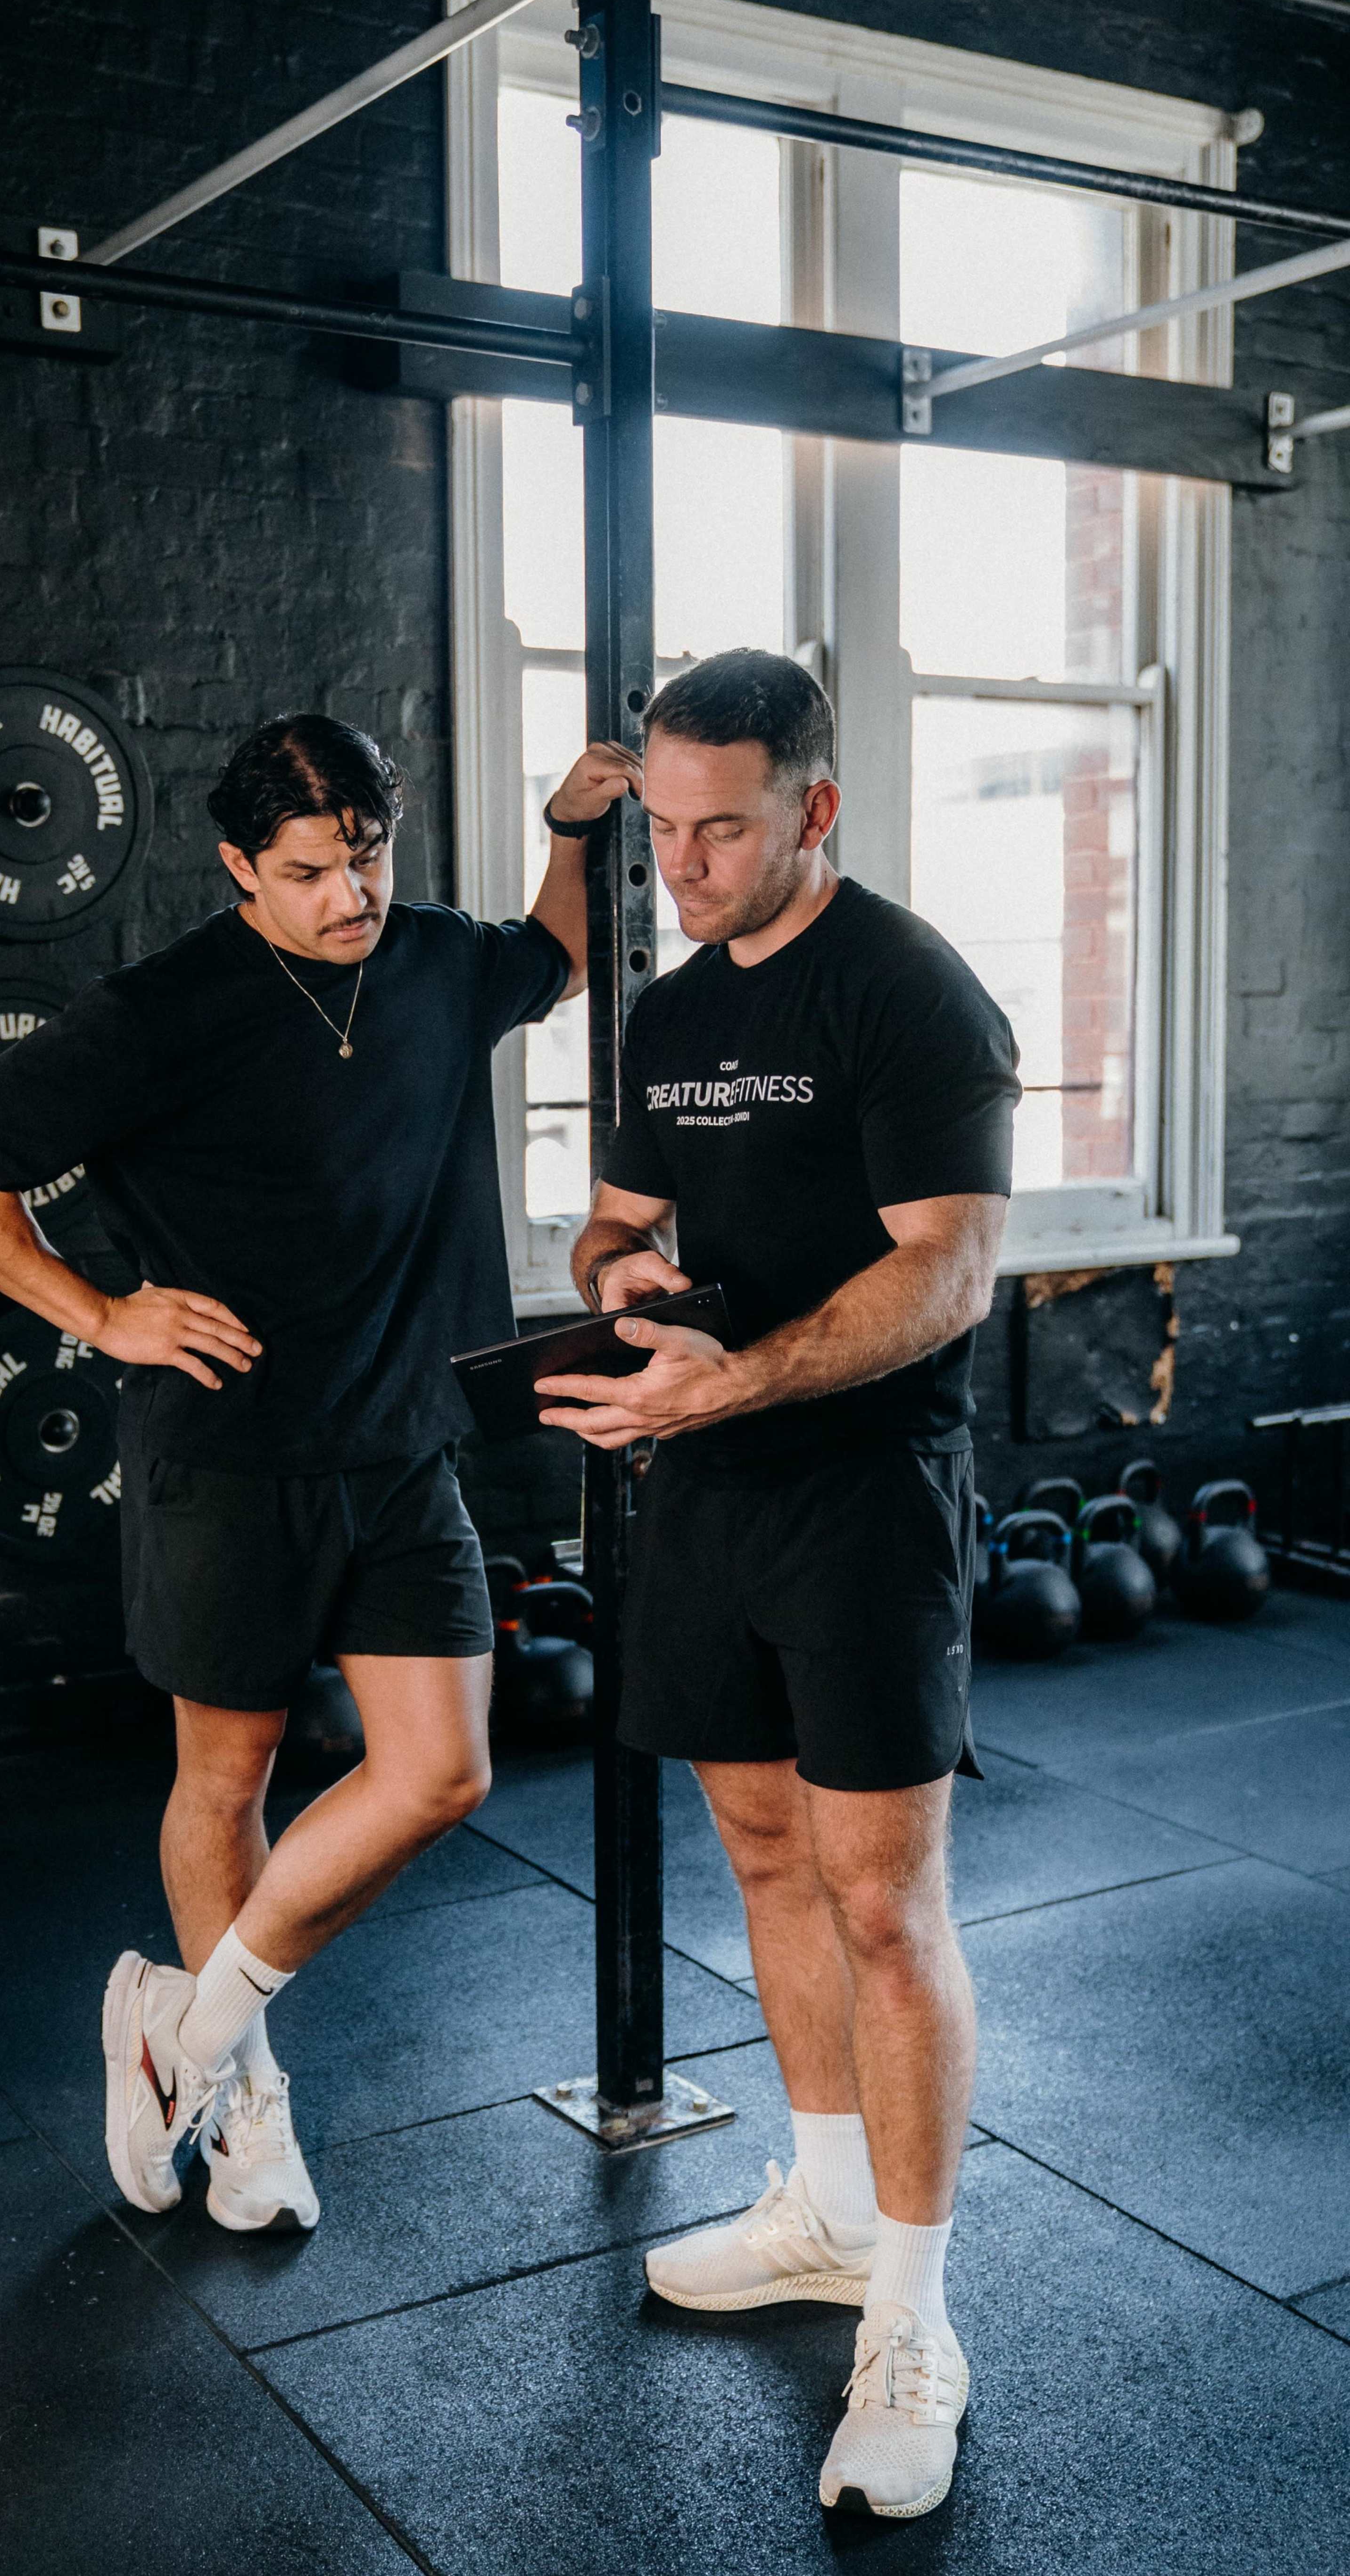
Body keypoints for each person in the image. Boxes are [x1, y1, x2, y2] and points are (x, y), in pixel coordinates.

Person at [0, 711, 634, 2236]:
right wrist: (100, 1312)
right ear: (241, 866)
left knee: (442, 1772)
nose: (348, 896)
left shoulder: (431, 957)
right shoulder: (160, 1010)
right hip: (225, 1456)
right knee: (224, 1781)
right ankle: (247, 2106)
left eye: (367, 856)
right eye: (308, 873)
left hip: (403, 1445)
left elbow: (556, 960)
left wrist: (567, 831)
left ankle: (184, 2028)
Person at [536, 647, 1019, 2524]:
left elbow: (948, 1272)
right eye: (658, 829)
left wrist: (744, 1372)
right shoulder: (666, 1019)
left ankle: (912, 2308)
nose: (683, 864)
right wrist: (620, 1277)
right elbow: (623, 1215)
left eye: (720, 826)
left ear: (816, 806)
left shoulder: (910, 992)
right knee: (756, 1854)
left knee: (884, 1904)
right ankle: (824, 2201)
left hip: (865, 1499)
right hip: (703, 1482)